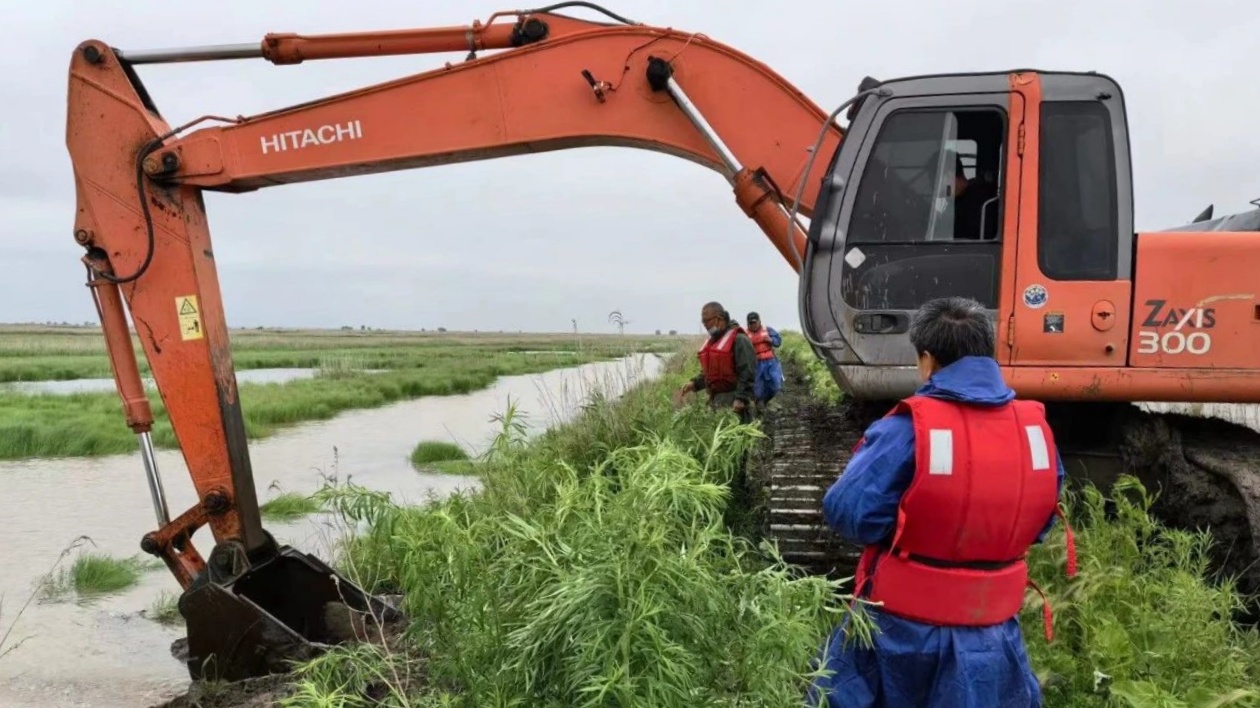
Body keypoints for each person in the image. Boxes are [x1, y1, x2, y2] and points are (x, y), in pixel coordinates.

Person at [806, 296, 1074, 708]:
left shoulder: (909, 427)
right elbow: (1041, 523)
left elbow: (849, 512)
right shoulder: (1034, 430)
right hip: (994, 635)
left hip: (903, 636)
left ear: (928, 360)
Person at [677, 301, 756, 424]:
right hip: (717, 401)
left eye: (707, 321)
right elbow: (711, 373)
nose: (705, 326)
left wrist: (741, 398)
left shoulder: (739, 339)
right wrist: (694, 384)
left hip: (736, 401)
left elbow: (747, 372)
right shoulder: (714, 342)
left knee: (739, 440)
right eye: (703, 322)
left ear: (719, 319)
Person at [745, 311, 784, 408]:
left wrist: (771, 340)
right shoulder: (745, 335)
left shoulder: (768, 330)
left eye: (754, 322)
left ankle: (765, 401)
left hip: (771, 362)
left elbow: (778, 342)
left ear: (759, 321)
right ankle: (760, 405)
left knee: (776, 386)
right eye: (750, 323)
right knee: (757, 390)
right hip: (756, 364)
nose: (753, 325)